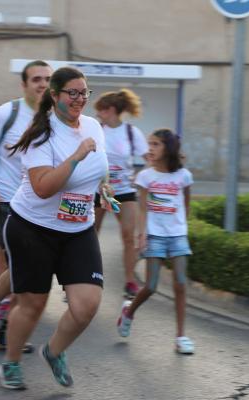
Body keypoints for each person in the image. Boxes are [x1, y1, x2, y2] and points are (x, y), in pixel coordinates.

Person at [0, 66, 108, 390]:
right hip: (33, 227)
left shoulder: (93, 126)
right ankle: (12, 362)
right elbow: (44, 187)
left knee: (86, 305)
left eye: (84, 92)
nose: (79, 99)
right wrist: (75, 156)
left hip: (78, 228)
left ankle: (54, 351)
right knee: (32, 304)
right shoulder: (41, 136)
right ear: (55, 96)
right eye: (72, 93)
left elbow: (101, 166)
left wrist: (105, 187)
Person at [0, 60, 53, 349]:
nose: (42, 84)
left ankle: (1, 323)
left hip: (39, 203)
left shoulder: (55, 117)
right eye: (36, 79)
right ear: (24, 85)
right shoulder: (8, 113)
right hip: (6, 201)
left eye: (47, 79)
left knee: (28, 268)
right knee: (22, 265)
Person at [116, 128, 195, 355]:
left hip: (177, 234)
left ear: (168, 148)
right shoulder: (145, 177)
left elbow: (187, 203)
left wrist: (182, 226)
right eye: (149, 144)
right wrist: (142, 235)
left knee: (180, 283)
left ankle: (181, 337)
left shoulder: (184, 176)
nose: (149, 149)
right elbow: (142, 208)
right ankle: (129, 312)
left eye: (155, 144)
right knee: (150, 286)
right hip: (154, 235)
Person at [93, 88, 148, 299]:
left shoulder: (131, 133)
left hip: (124, 192)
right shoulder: (96, 130)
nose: (98, 115)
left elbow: (149, 158)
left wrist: (140, 175)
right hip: (100, 191)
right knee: (89, 236)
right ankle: (84, 279)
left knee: (128, 236)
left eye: (101, 111)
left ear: (112, 110)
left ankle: (130, 282)